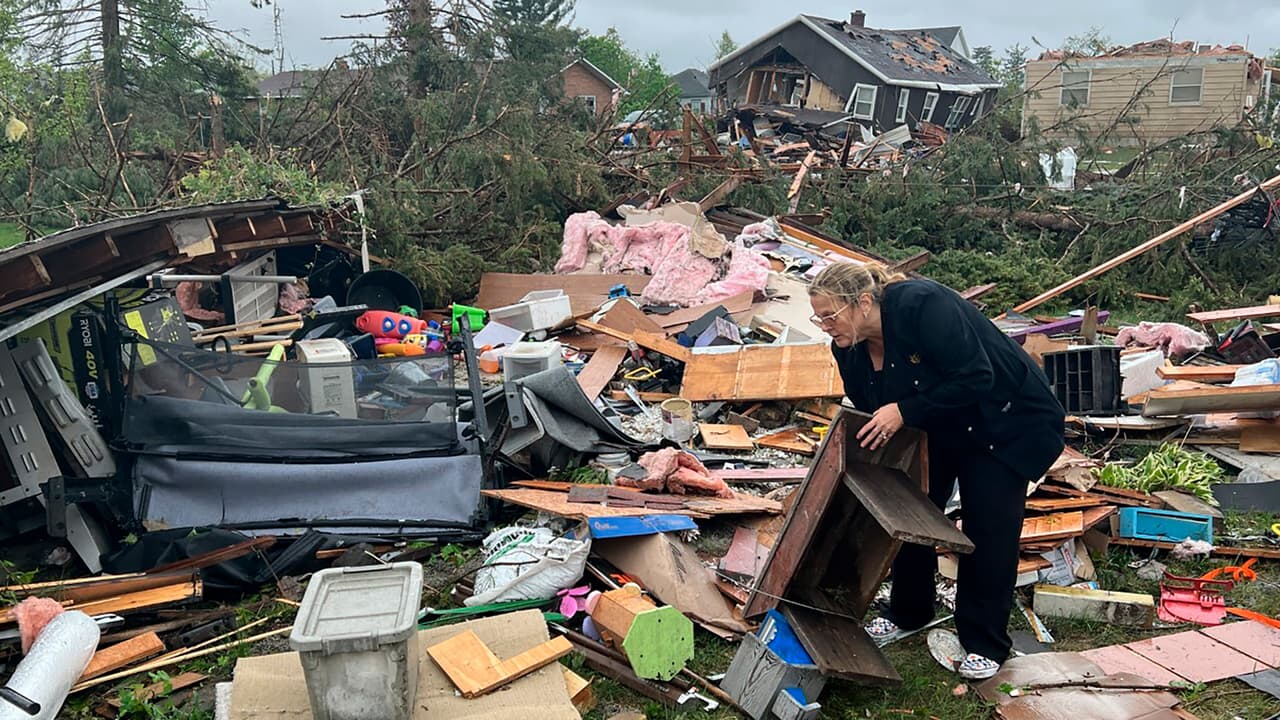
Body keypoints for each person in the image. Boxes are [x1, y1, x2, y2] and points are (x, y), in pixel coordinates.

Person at [808, 262, 1065, 680]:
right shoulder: (848, 347)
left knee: (988, 530)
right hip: (941, 425)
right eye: (817, 317)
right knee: (910, 510)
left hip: (1003, 419)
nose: (824, 326)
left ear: (864, 302)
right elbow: (869, 403)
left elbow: (976, 376)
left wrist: (905, 410)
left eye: (830, 315)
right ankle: (910, 611)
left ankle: (984, 642)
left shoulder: (923, 306)